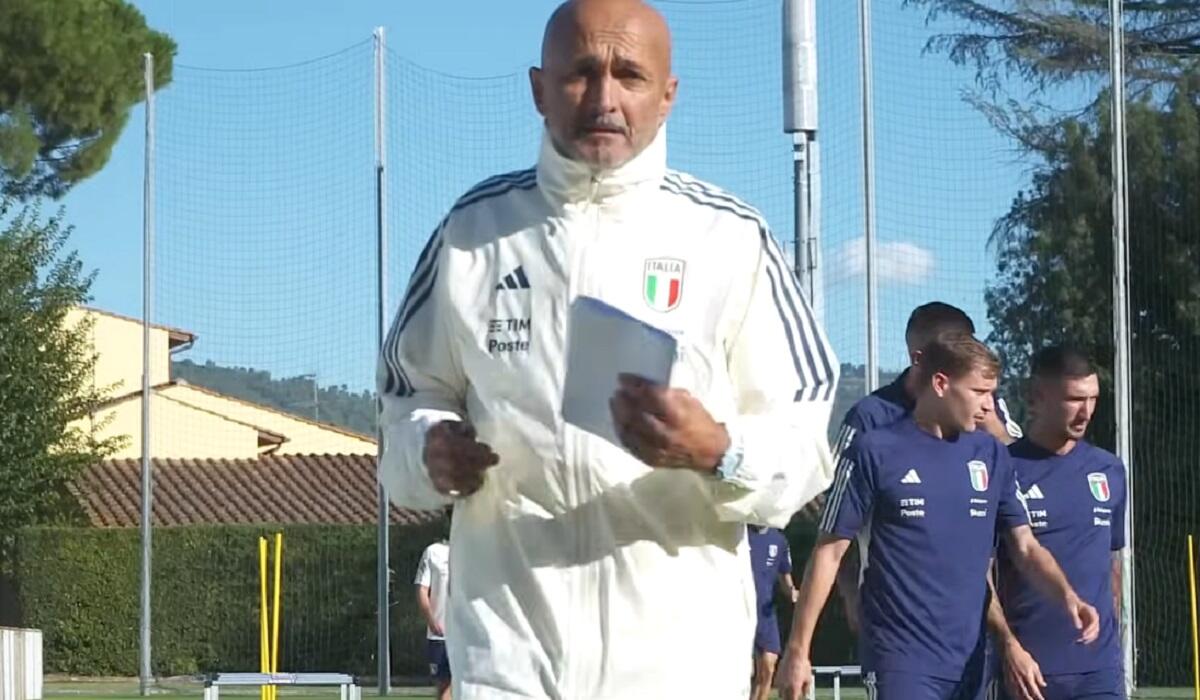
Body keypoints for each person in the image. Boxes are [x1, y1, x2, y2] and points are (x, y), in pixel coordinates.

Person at [376, 0, 839, 696]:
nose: (604, 98)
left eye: (629, 74)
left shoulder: (730, 239)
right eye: (581, 73)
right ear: (538, 87)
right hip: (511, 667)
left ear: (668, 94)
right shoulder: (473, 232)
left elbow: (806, 447)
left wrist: (720, 452)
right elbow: (402, 411)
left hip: (680, 672)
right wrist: (428, 449)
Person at [777, 333, 1099, 700]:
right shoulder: (874, 452)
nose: (988, 407)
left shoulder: (992, 455)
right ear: (941, 384)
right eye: (979, 392)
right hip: (901, 659)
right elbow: (828, 553)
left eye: (992, 393)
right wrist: (798, 650)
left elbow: (1025, 546)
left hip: (972, 662)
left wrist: (1067, 596)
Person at [827, 301, 1023, 632]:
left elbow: (1022, 481)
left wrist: (991, 426)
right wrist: (850, 595)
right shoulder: (870, 417)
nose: (969, 357)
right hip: (898, 615)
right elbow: (836, 524)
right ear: (921, 360)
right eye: (958, 349)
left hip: (980, 602)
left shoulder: (987, 405)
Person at [989, 346, 1127, 700]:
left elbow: (1111, 564)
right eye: (1074, 399)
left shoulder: (1108, 469)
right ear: (1037, 396)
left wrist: (1112, 647)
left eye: (1093, 398)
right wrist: (1007, 646)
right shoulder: (1003, 467)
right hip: (1030, 672)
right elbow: (979, 573)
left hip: (1100, 674)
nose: (1086, 411)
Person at [748, 526, 797, 700]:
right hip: (742, 609)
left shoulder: (779, 540)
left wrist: (792, 592)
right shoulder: (740, 535)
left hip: (765, 613)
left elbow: (785, 577)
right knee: (746, 670)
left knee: (769, 664)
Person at [415, 511, 453, 700]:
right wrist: (431, 621)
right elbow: (422, 590)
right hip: (441, 635)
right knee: (444, 685)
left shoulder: (477, 549)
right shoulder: (433, 552)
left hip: (469, 635)